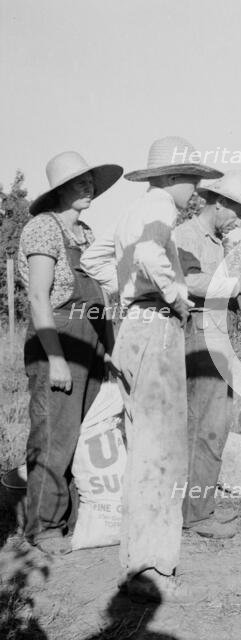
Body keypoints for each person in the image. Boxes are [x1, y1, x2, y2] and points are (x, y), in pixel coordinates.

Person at [111, 136, 222, 603]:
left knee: (142, 449)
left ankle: (138, 558)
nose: (195, 188)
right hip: (155, 325)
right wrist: (177, 298)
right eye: (191, 178)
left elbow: (105, 259)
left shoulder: (133, 212)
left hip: (135, 325)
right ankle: (153, 566)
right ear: (172, 178)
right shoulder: (159, 210)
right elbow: (151, 258)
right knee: (161, 451)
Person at [18, 151, 122, 554]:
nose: (88, 186)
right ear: (58, 190)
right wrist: (56, 357)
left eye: (90, 181)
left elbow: (101, 299)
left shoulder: (89, 235)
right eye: (79, 181)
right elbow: (40, 299)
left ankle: (77, 518)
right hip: (57, 337)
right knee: (54, 434)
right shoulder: (42, 229)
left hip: (93, 339)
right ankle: (43, 526)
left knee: (83, 433)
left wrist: (110, 350)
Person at [175, 170, 241, 539]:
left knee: (216, 423)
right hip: (198, 332)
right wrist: (236, 284)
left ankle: (200, 506)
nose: (239, 220)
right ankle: (194, 515)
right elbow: (189, 283)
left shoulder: (217, 242)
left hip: (217, 334)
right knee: (204, 426)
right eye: (238, 212)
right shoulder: (186, 235)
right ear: (220, 202)